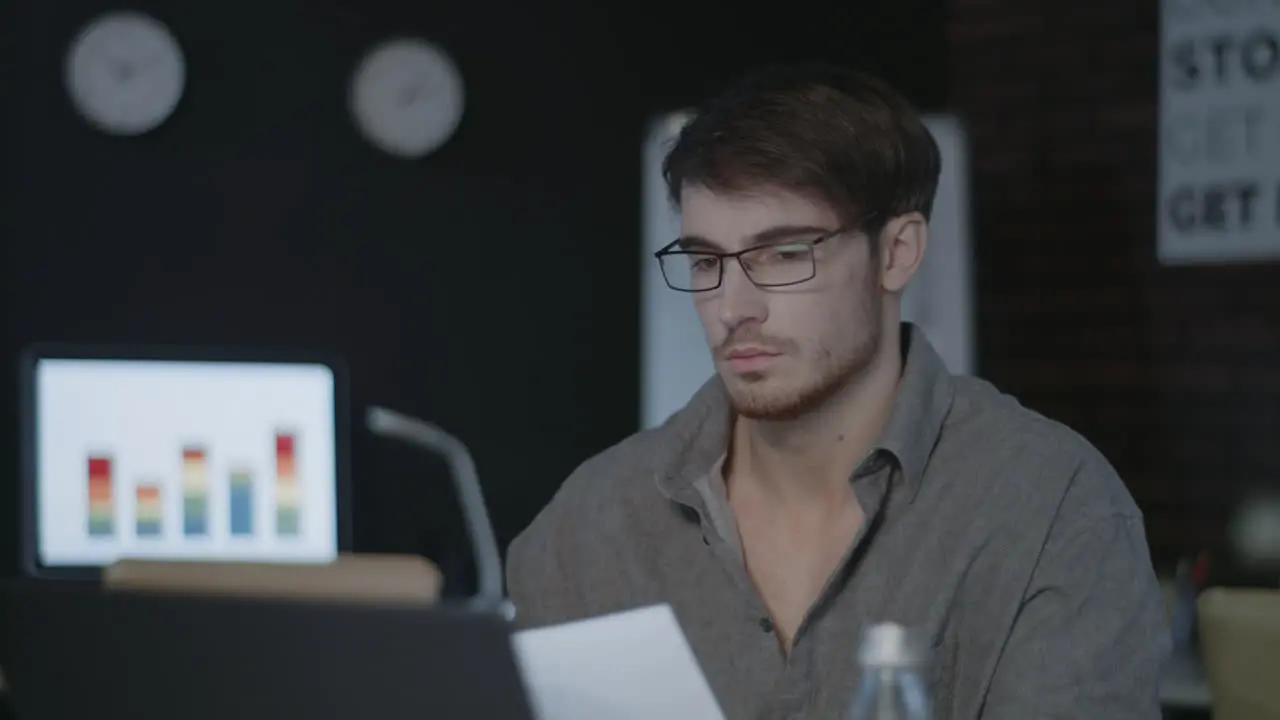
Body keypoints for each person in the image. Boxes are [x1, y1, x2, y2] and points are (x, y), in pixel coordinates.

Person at [506, 64, 1170, 719]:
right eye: (707, 262)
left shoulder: (1052, 508)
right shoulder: (589, 525)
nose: (733, 306)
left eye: (785, 254)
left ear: (897, 252)